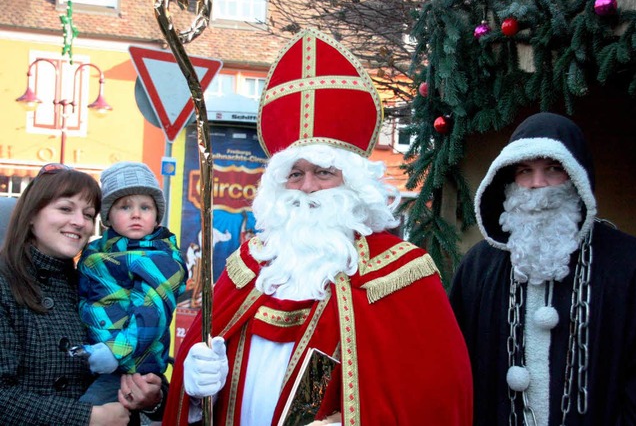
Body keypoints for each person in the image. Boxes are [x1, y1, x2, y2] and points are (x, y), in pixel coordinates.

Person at [163, 28, 473, 426]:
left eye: (324, 172)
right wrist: (193, 391)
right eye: (295, 174)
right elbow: (199, 386)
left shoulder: (400, 273)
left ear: (354, 184)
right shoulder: (249, 266)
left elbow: (435, 398)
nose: (307, 187)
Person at [449, 112, 636, 425]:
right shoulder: (479, 266)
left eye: (553, 169)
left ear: (578, 176)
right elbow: (455, 366)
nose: (538, 184)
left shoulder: (626, 264)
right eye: (525, 171)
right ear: (509, 180)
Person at [0, 163, 163, 425]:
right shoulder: (4, 284)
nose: (79, 222)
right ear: (31, 214)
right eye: (65, 208)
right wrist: (87, 418)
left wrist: (152, 398)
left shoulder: (93, 284)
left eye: (88, 215)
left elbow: (139, 355)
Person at [76, 162, 186, 411]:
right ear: (107, 218)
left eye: (145, 207)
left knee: (88, 411)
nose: (136, 214)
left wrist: (114, 352)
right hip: (96, 354)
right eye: (125, 207)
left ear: (156, 217)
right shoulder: (95, 251)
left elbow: (153, 312)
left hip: (132, 364)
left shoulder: (161, 259)